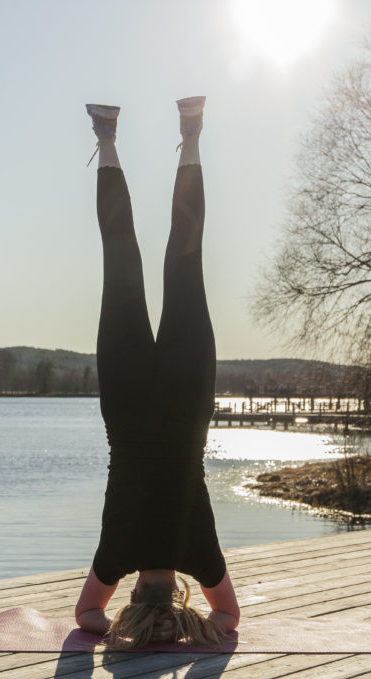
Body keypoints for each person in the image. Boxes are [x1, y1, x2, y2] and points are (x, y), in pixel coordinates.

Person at [74, 97, 241, 649]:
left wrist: (187, 634)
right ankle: (107, 137)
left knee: (183, 258)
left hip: (185, 400)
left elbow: (228, 620)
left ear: (172, 601)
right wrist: (127, 631)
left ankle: (190, 133)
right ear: (132, 602)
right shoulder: (114, 561)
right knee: (121, 255)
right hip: (128, 406)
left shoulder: (201, 561)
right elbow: (87, 618)